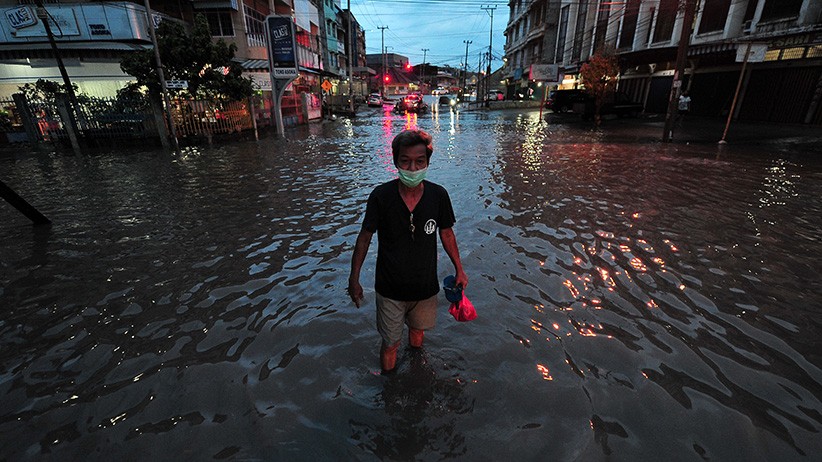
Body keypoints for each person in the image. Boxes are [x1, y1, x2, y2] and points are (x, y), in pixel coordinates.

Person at [348, 129, 468, 373]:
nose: (412, 168)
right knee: (391, 343)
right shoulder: (381, 197)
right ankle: (389, 388)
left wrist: (459, 269)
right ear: (395, 161)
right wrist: (354, 278)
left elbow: (446, 233)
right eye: (405, 161)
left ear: (427, 162)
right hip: (390, 288)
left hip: (424, 287)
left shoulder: (438, 195)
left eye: (419, 161)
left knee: (417, 335)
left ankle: (415, 374)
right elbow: (365, 238)